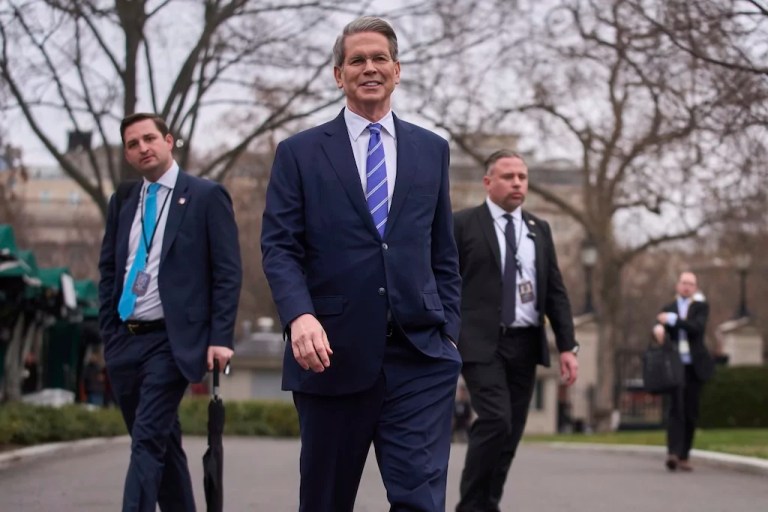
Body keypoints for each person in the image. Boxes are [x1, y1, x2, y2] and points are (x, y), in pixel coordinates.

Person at [261, 16, 462, 512]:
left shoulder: (431, 151)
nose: (368, 68)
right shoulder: (299, 154)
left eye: (379, 59)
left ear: (397, 70)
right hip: (330, 355)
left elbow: (443, 252)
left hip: (419, 357)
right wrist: (299, 315)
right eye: (357, 60)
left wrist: (449, 334)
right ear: (338, 74)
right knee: (325, 502)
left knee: (421, 502)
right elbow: (279, 246)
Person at [98, 112, 242, 512]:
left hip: (172, 341)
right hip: (124, 340)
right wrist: (108, 331)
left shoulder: (205, 196)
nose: (142, 148)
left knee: (146, 439)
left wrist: (220, 338)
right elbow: (110, 268)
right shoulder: (124, 199)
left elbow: (227, 273)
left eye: (149, 138)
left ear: (169, 140)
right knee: (162, 444)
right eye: (132, 144)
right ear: (127, 154)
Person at [453, 150, 579, 512]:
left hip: (525, 343)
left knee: (510, 433)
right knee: (495, 419)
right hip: (481, 343)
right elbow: (443, 281)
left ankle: (488, 503)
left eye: (522, 177)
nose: (517, 183)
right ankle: (470, 505)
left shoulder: (539, 229)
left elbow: (555, 291)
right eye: (508, 176)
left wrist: (568, 346)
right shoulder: (462, 225)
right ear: (488, 182)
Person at [653, 271, 714, 472]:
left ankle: (684, 455)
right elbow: (658, 330)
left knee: (690, 411)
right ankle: (672, 453)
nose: (687, 286)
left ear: (695, 288)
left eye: (691, 284)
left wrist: (672, 320)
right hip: (675, 366)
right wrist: (658, 330)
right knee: (674, 409)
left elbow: (696, 328)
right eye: (684, 283)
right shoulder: (668, 308)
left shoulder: (700, 308)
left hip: (694, 367)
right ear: (678, 285)